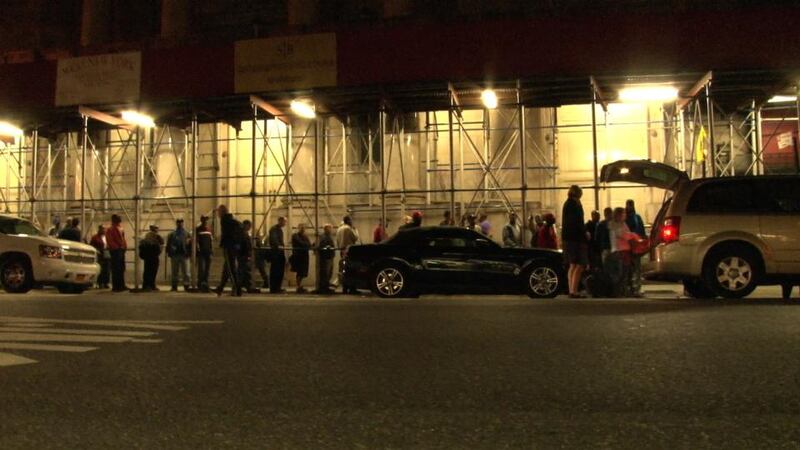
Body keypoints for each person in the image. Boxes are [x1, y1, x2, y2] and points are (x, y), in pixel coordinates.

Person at [606, 207, 642, 298]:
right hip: (620, 251)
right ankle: (619, 291)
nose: (625, 215)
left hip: (624, 250)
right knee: (622, 273)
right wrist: (634, 236)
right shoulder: (615, 225)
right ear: (619, 215)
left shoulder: (622, 224)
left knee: (625, 272)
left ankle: (623, 290)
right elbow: (623, 235)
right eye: (623, 213)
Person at [562, 185, 589, 298]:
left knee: (572, 265)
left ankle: (571, 290)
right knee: (580, 264)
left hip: (568, 238)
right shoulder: (575, 205)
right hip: (576, 239)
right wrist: (585, 233)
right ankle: (574, 290)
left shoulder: (567, 204)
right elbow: (578, 222)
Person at [215, 205, 243, 297]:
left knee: (230, 268)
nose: (218, 214)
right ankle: (220, 288)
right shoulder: (232, 220)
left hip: (229, 246)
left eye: (219, 212)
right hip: (232, 246)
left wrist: (227, 241)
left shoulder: (225, 220)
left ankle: (237, 289)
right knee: (227, 268)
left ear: (222, 212)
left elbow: (227, 234)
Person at [625, 199, 646, 297]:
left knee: (634, 268)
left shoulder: (630, 218)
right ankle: (634, 288)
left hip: (631, 246)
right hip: (632, 246)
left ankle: (633, 288)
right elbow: (641, 231)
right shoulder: (635, 218)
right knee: (634, 268)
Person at [336, 215, 360, 294]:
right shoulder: (349, 229)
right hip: (349, 251)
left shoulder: (339, 229)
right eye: (351, 220)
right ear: (348, 221)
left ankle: (345, 288)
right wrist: (355, 230)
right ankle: (352, 288)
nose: (352, 222)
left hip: (342, 250)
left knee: (344, 270)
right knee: (351, 270)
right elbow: (355, 238)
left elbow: (337, 240)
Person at [166, 219, 191, 292]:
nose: (180, 224)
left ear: (183, 223)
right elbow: (168, 244)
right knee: (174, 272)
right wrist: (169, 253)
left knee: (186, 272)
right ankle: (174, 286)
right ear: (176, 223)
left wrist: (189, 253)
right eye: (178, 222)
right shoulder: (172, 234)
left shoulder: (187, 233)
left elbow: (190, 244)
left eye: (181, 222)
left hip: (184, 255)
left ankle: (186, 285)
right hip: (175, 255)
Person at [106, 214, 128, 292]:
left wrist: (124, 247)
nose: (119, 218)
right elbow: (110, 240)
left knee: (121, 268)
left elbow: (123, 239)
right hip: (116, 250)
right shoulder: (110, 229)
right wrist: (116, 247)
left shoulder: (120, 228)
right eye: (118, 218)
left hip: (121, 250)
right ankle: (116, 286)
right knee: (116, 268)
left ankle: (121, 285)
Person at [140, 224, 164, 292]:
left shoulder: (146, 236)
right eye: (156, 228)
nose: (157, 229)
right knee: (152, 271)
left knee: (148, 271)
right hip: (153, 256)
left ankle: (147, 285)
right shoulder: (156, 236)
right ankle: (150, 285)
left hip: (148, 257)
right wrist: (159, 251)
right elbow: (162, 243)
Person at [239, 220, 259, 294]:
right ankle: (247, 287)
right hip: (243, 255)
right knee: (245, 271)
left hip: (244, 254)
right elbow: (245, 244)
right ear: (245, 225)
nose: (250, 227)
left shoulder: (244, 233)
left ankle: (245, 286)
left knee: (244, 271)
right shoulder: (242, 233)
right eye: (249, 226)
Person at [290, 223, 312, 293]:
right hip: (298, 256)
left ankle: (299, 286)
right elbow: (301, 243)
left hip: (304, 256)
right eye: (301, 228)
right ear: (298, 228)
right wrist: (306, 245)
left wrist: (306, 245)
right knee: (300, 272)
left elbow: (308, 245)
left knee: (303, 272)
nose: (303, 229)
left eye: (304, 228)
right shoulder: (295, 235)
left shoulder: (305, 236)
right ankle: (298, 286)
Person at [268, 216, 287, 294]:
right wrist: (278, 246)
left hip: (279, 253)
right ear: (280, 221)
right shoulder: (274, 229)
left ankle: (277, 287)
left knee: (279, 271)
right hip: (276, 253)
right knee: (276, 271)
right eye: (284, 221)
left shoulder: (278, 229)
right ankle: (274, 288)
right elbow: (274, 239)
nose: (285, 223)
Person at [316, 224, 336, 294]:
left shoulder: (328, 236)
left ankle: (326, 287)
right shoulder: (324, 237)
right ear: (326, 229)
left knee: (328, 273)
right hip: (326, 257)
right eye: (329, 228)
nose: (331, 230)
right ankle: (324, 288)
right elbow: (321, 246)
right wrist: (328, 248)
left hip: (329, 257)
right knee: (325, 273)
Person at [195, 215, 213, 293]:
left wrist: (211, 251)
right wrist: (198, 250)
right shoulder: (198, 229)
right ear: (202, 220)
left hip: (208, 251)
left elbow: (211, 241)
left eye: (206, 220)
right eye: (204, 220)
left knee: (207, 269)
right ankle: (200, 284)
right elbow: (196, 241)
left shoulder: (209, 230)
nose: (206, 221)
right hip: (201, 252)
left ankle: (205, 283)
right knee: (201, 269)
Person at [89, 225, 110, 289]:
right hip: (99, 255)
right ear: (99, 229)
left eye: (104, 229)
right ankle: (100, 283)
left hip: (107, 254)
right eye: (102, 229)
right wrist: (97, 250)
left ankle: (106, 283)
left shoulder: (107, 237)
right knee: (100, 269)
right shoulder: (95, 237)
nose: (104, 230)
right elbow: (92, 245)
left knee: (107, 269)